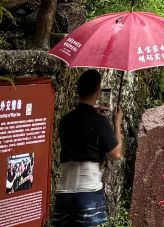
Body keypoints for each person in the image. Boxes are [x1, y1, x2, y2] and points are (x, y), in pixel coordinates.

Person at [49, 69, 122, 227]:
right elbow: (115, 154)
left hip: (63, 191)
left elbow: (81, 128)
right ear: (98, 90)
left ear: (77, 90)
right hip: (88, 191)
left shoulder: (65, 120)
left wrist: (93, 116)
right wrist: (116, 123)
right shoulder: (100, 122)